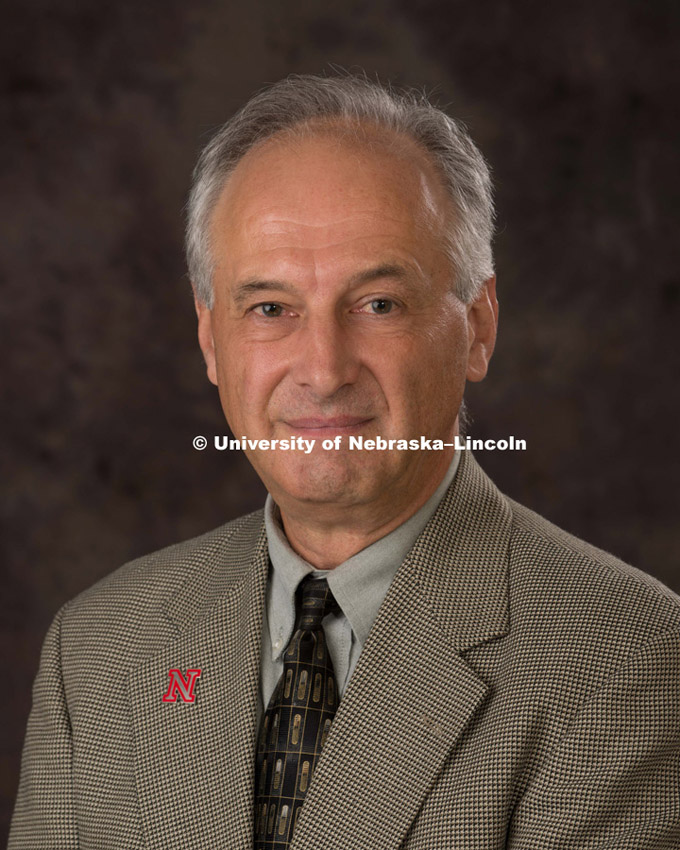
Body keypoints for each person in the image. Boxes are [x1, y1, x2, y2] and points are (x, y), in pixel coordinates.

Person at [10, 74, 680, 850]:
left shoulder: (629, 663)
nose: (323, 370)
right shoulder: (96, 648)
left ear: (478, 327)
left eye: (379, 305)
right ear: (209, 341)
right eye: (270, 308)